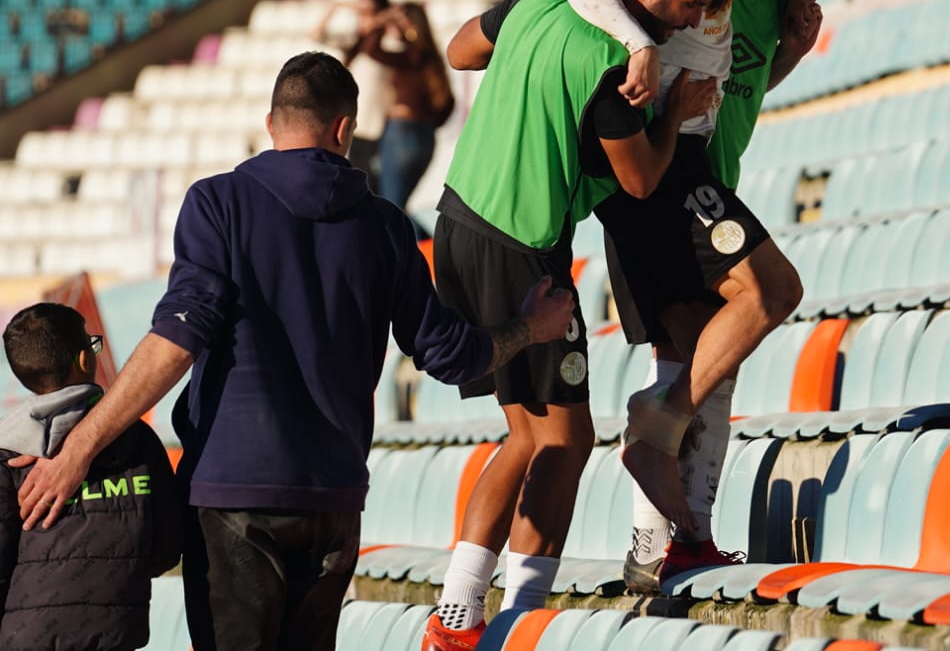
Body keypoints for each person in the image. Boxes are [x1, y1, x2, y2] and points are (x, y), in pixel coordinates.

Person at [13, 52, 576, 651]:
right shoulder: (386, 226)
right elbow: (450, 356)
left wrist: (78, 448)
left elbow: (177, 342)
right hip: (332, 499)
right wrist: (528, 329)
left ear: (271, 123)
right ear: (343, 129)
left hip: (233, 493)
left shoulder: (217, 202)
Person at [423, 0, 727, 651]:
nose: (691, 22)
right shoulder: (614, 70)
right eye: (688, 6)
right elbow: (642, 177)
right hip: (525, 242)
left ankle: (497, 612)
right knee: (550, 435)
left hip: (460, 215)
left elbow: (462, 47)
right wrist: (677, 114)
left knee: (541, 430)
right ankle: (468, 613)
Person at [558, 0, 809, 558]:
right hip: (665, 165)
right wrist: (639, 42)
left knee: (701, 352)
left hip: (684, 162)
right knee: (772, 291)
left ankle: (672, 539)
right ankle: (656, 421)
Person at [620, 0, 835, 592]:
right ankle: (658, 435)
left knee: (708, 361)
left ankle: (668, 540)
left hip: (715, 173)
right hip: (672, 176)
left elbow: (742, 91)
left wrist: (794, 55)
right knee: (770, 295)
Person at [0, 304, 181, 651]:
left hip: (23, 636)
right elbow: (168, 546)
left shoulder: (9, 454)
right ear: (85, 359)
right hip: (117, 633)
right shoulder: (138, 440)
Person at [356, 1, 455, 214]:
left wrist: (381, 21)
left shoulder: (410, 54)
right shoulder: (430, 57)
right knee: (401, 206)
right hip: (425, 137)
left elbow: (370, 49)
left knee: (390, 208)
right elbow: (448, 104)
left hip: (400, 133)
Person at [311, 0, 392, 190]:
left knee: (375, 188)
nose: (362, 18)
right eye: (359, 12)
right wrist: (337, 7)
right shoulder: (355, 44)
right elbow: (316, 35)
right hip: (358, 124)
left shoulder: (387, 44)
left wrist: (379, 20)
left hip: (378, 126)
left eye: (368, 12)